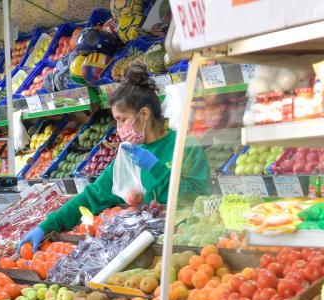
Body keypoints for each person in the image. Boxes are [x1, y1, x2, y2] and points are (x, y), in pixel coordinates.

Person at [19, 63, 210, 250]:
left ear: (144, 114)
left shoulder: (184, 145)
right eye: (116, 121)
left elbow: (197, 197)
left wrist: (156, 168)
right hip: (141, 247)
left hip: (183, 245)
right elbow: (93, 196)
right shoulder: (129, 156)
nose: (120, 129)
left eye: (123, 119)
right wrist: (47, 225)